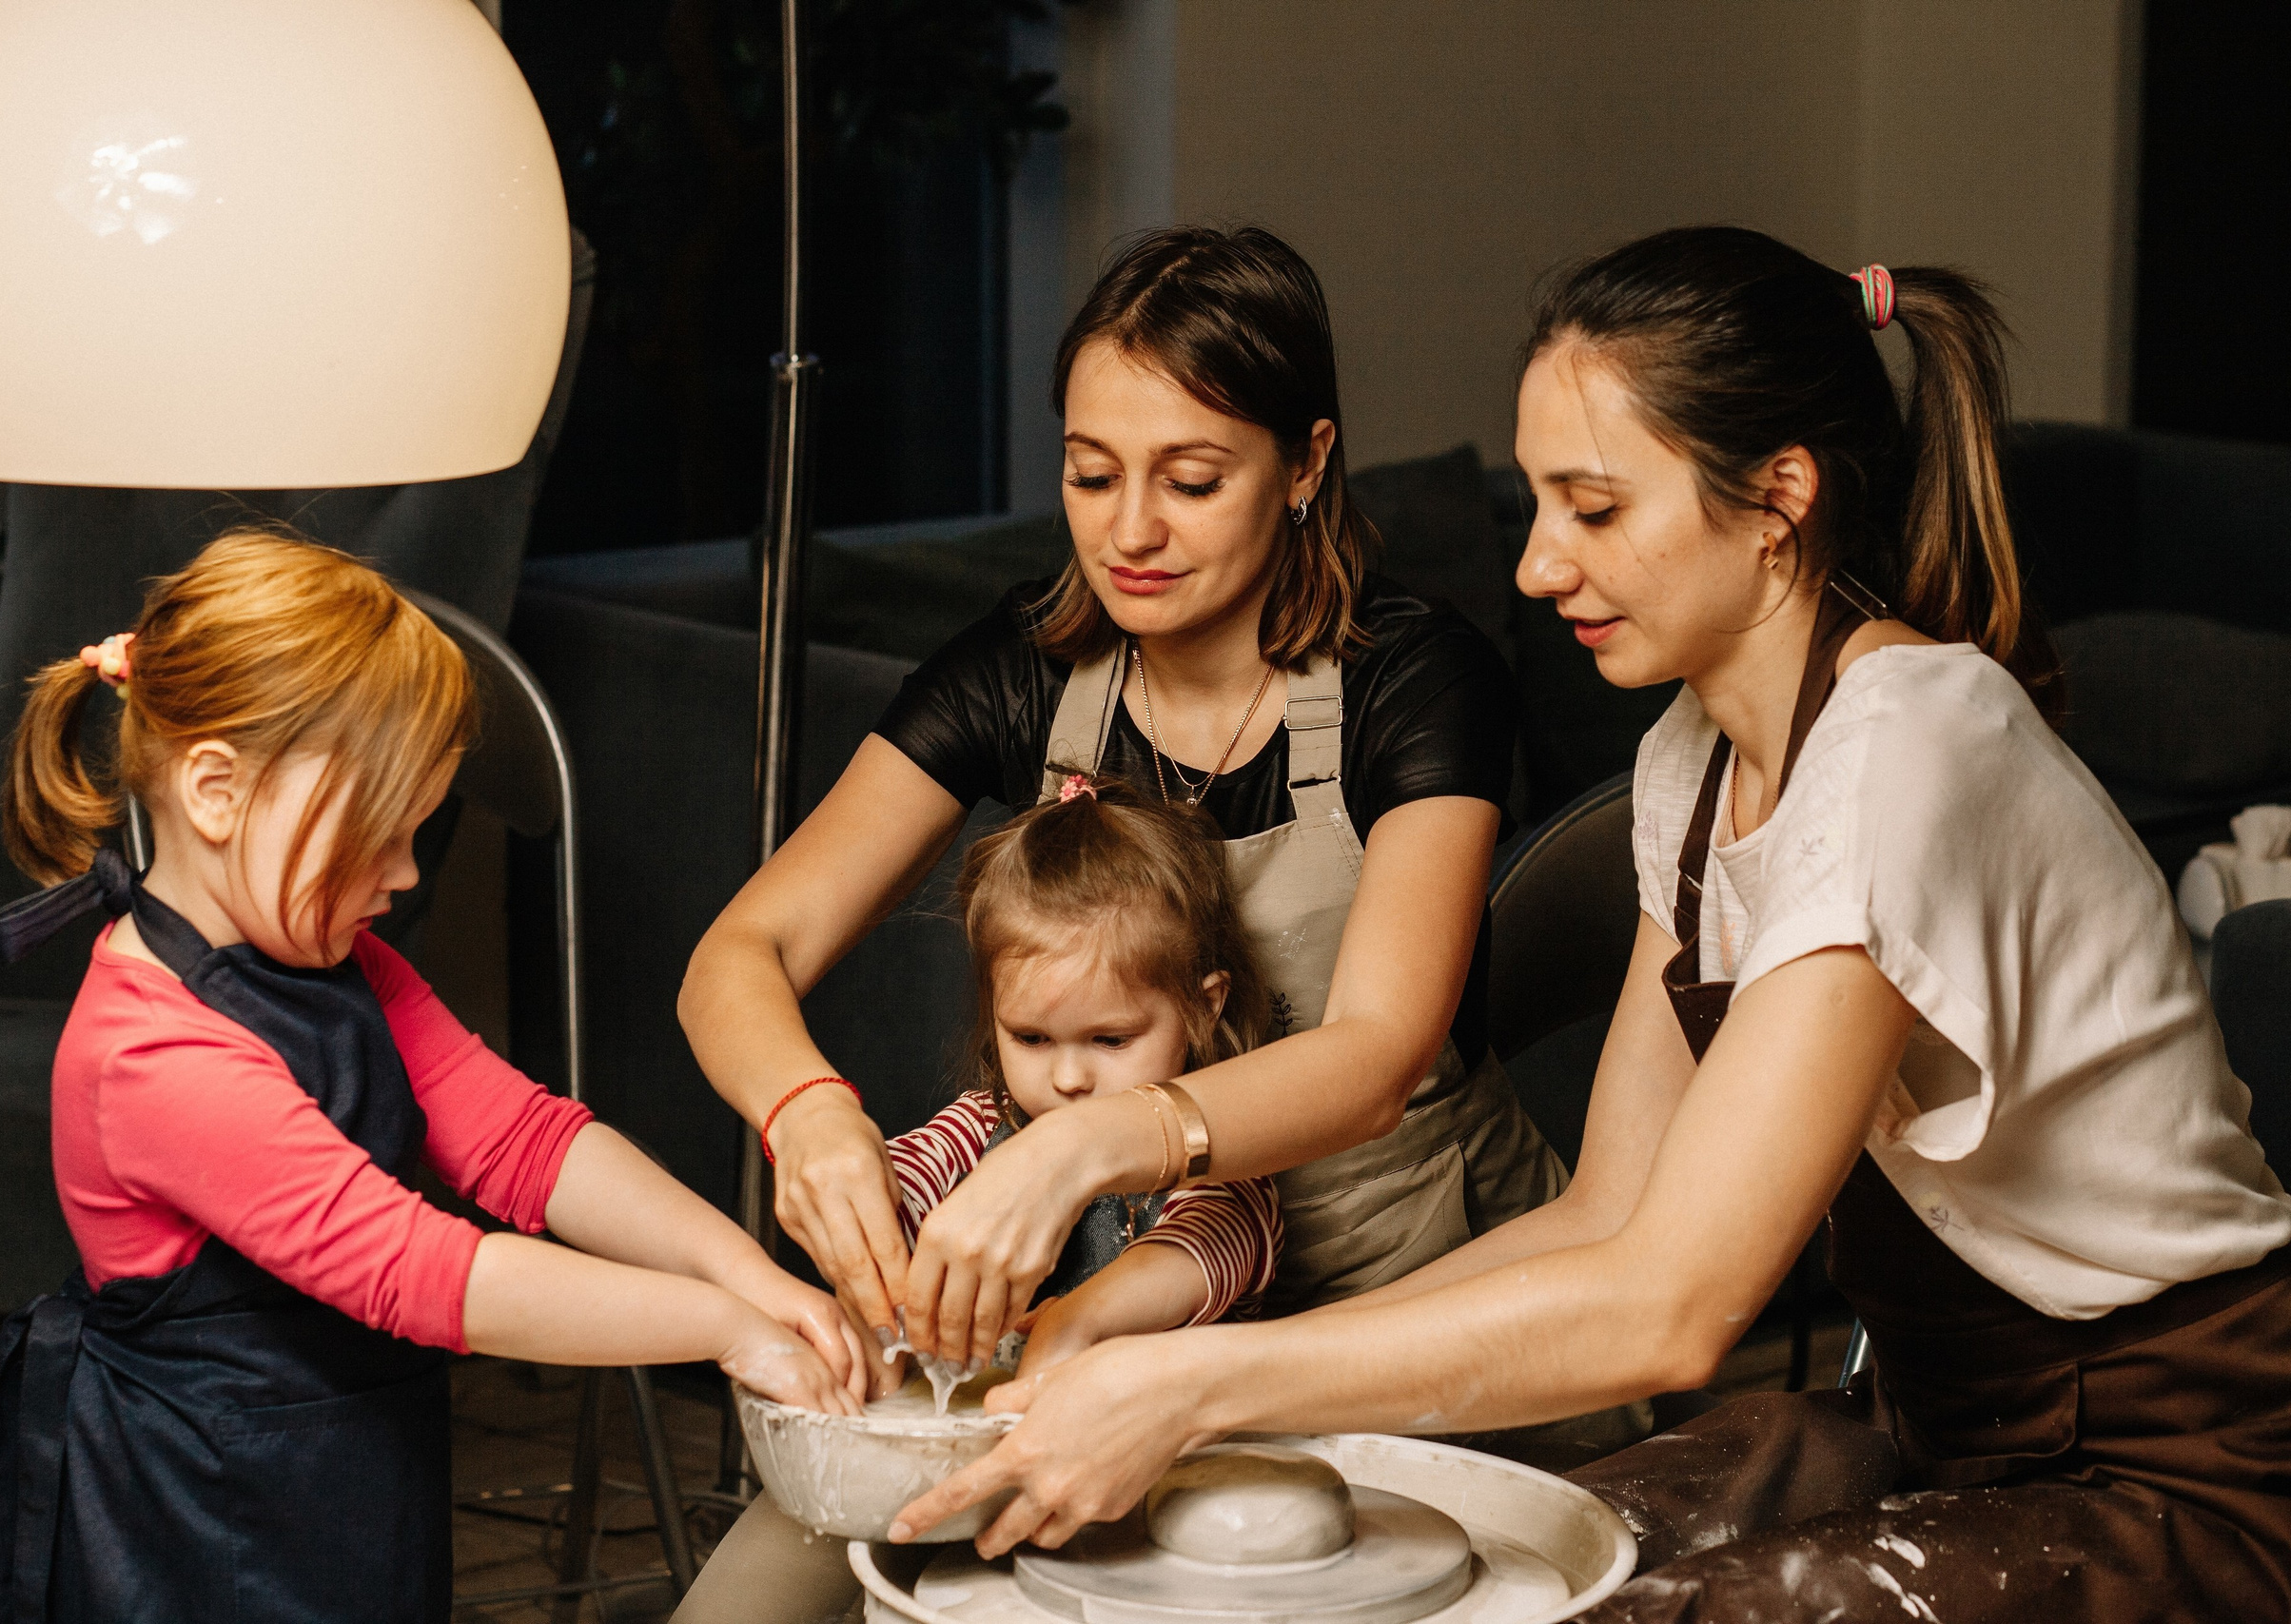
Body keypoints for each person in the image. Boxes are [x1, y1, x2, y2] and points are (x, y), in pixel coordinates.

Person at [891, 227, 2291, 1623]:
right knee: (1485, 1566)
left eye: (1594, 509)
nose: (1540, 564)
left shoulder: (1909, 750)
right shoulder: (1697, 755)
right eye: (1542, 507)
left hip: (2183, 1478)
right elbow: (1607, 1212)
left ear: (1776, 500)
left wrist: (1198, 1382)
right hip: (1942, 1426)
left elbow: (1674, 1306)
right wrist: (1223, 1386)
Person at [679, 225, 1562, 1383]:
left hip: (1412, 1297)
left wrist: (1085, 1145)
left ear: (1305, 466)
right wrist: (807, 1114)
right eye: (1092, 474)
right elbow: (741, 952)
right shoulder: (1019, 671)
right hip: (1116, 1332)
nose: (1129, 531)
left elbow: (1376, 1055)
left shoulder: (1416, 680)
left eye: (1191, 481)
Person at [0, 534, 864, 1624]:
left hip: (342, 1481)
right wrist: (724, 1330)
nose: (402, 876)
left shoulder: (343, 965)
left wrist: (749, 1275)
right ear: (215, 789)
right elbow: (426, 1274)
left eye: (415, 834)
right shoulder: (150, 1056)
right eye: (374, 836)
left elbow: (525, 1144)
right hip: (199, 1522)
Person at [672, 772, 1283, 1623]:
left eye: (1111, 1038)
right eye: (1030, 1037)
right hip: (954, 1464)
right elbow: (912, 1172)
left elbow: (1208, 1248)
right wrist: (868, 1218)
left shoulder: (1222, 1165)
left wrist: (1083, 1317)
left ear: (1201, 1006)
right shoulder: (986, 1126)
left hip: (1139, 1502)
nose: (1067, 1078)